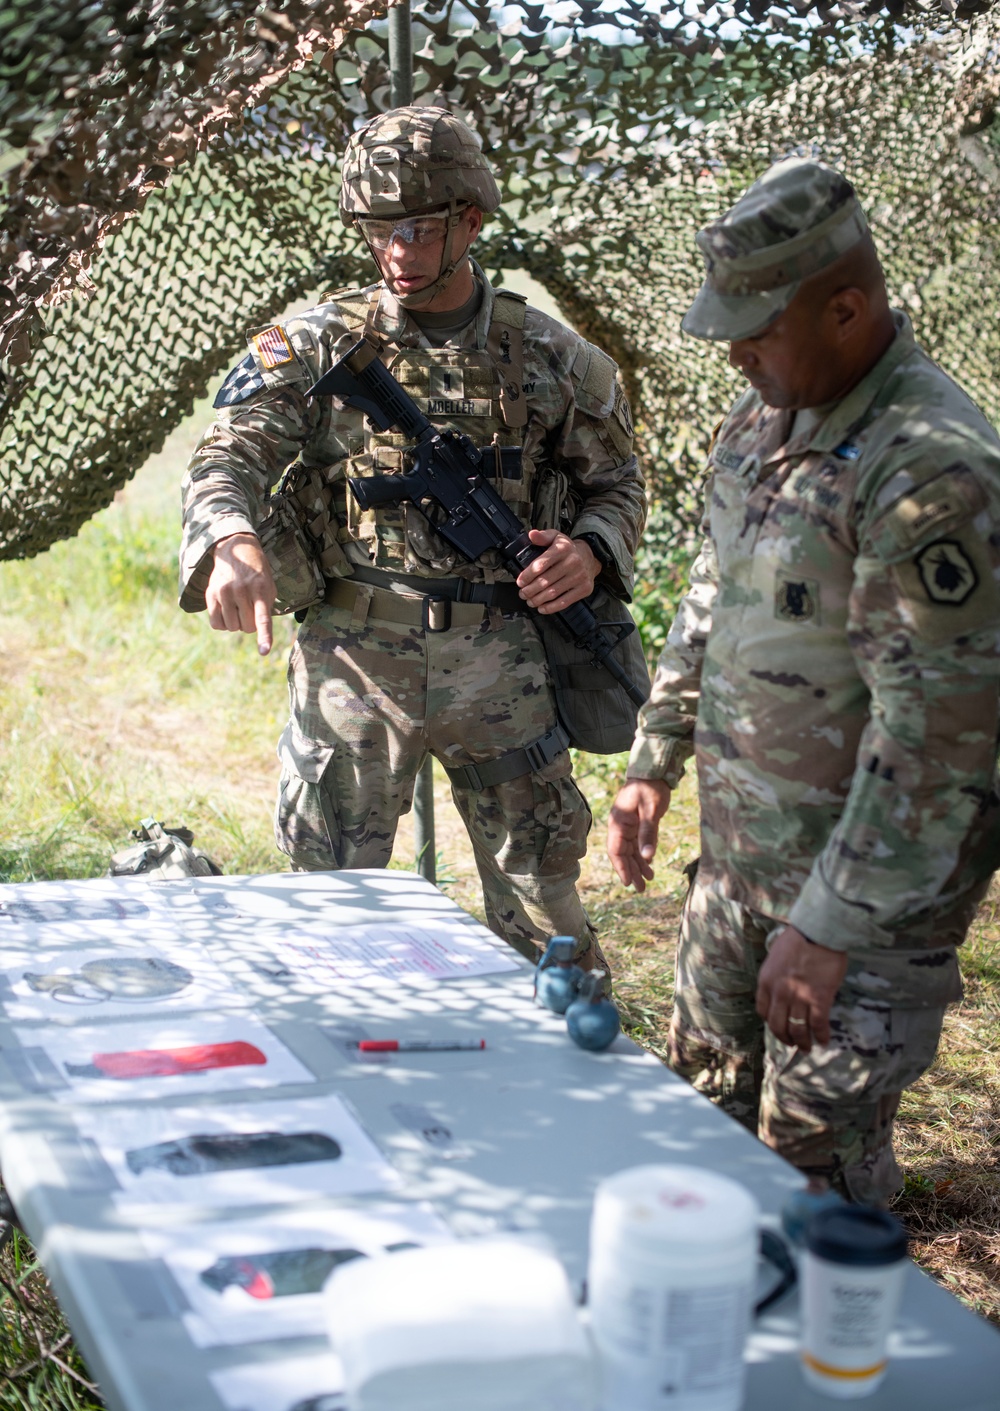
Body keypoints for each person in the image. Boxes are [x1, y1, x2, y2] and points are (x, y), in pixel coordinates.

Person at [607, 157, 1000, 1203]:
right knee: (699, 1146)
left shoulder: (927, 468)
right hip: (736, 874)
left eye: (755, 326)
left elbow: (941, 736)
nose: (734, 352)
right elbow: (709, 603)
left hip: (860, 915)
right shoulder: (756, 428)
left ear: (846, 307)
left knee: (806, 1187)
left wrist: (828, 925)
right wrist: (653, 762)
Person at [180, 106, 645, 970]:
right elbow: (228, 454)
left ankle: (574, 1067)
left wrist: (589, 550)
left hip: (501, 655)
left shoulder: (548, 354)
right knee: (328, 908)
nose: (396, 251)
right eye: (378, 229)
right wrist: (230, 537)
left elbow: (617, 483)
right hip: (356, 656)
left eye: (420, 228)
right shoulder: (320, 344)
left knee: (548, 905)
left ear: (472, 220)